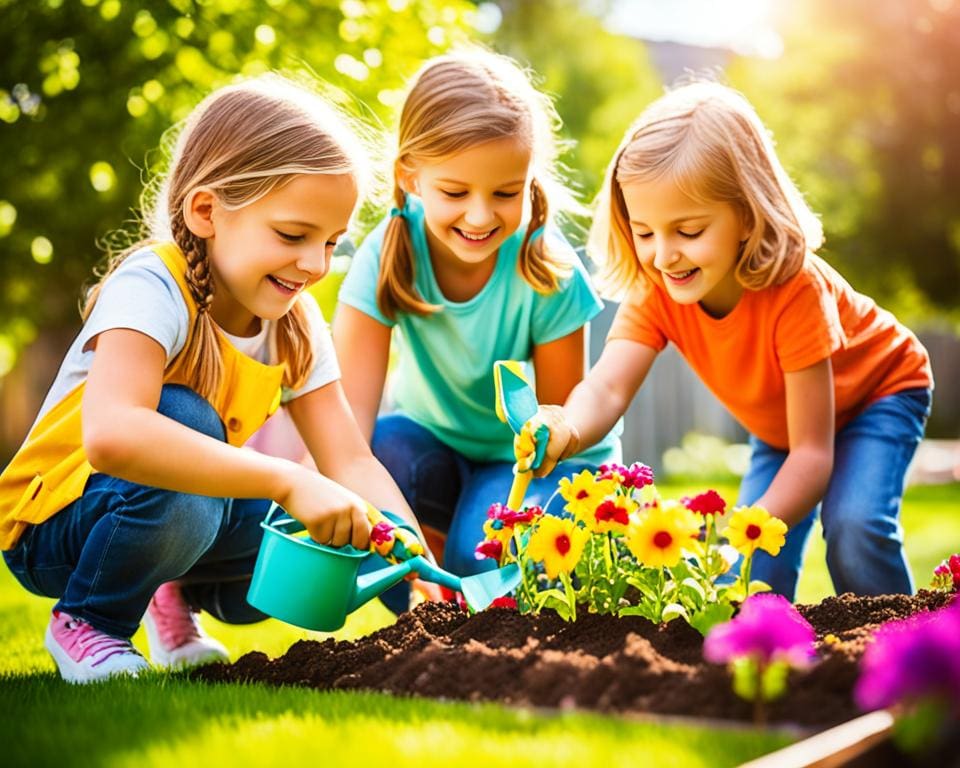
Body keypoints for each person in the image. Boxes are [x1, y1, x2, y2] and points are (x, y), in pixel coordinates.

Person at [0, 74, 432, 683]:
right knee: (188, 422)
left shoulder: (294, 323)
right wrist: (287, 481)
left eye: (331, 242)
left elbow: (351, 462)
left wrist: (419, 564)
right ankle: (90, 622)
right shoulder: (153, 285)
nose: (315, 265)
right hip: (54, 524)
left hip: (170, 511)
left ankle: (166, 594)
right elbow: (113, 435)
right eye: (292, 235)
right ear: (206, 211)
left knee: (328, 517)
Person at [527, 81, 933, 601]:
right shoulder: (659, 290)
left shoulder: (795, 289)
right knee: (742, 578)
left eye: (689, 231)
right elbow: (606, 388)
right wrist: (567, 427)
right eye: (645, 232)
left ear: (746, 214)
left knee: (854, 529)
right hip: (782, 423)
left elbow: (812, 456)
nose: (663, 255)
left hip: (879, 394)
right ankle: (767, 658)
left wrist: (741, 535)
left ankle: (910, 651)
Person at [333, 49, 621, 613]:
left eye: (505, 193)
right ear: (410, 175)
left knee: (481, 555)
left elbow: (559, 424)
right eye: (456, 193)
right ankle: (427, 603)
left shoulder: (546, 268)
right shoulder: (387, 258)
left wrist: (530, 470)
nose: (481, 216)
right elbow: (346, 430)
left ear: (529, 180)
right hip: (428, 448)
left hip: (528, 462)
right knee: (384, 453)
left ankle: (467, 577)